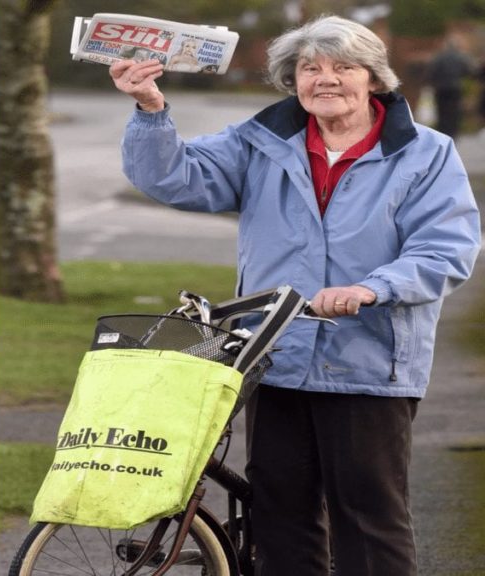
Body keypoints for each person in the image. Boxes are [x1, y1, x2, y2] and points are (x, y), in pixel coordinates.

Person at [110, 15, 479, 575]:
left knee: (368, 519)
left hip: (368, 362)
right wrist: (150, 108)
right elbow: (176, 177)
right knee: (281, 518)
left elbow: (445, 249)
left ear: (374, 79)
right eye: (311, 68)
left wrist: (371, 289)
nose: (325, 79)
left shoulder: (425, 154)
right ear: (294, 80)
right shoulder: (261, 141)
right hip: (274, 358)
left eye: (343, 67)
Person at [427, 39, 473, 137]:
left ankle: (443, 130)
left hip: (441, 88)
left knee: (441, 109)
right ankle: (453, 130)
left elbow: (431, 71)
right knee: (454, 109)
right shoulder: (461, 57)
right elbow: (469, 71)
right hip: (455, 87)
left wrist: (432, 82)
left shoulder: (439, 57)